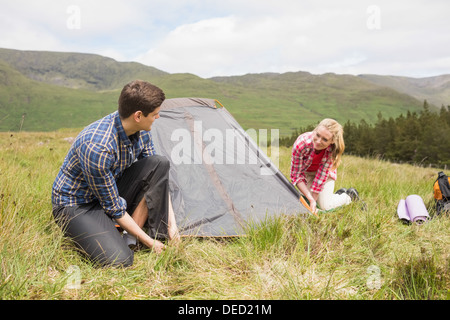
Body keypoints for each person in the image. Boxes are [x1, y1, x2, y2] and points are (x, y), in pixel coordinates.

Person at [51, 80, 179, 268]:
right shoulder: (97, 146)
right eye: (155, 114)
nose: (158, 117)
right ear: (138, 115)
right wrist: (150, 243)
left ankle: (130, 237)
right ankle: (130, 239)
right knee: (119, 261)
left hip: (110, 189)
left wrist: (173, 226)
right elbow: (114, 208)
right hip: (77, 205)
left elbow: (158, 177)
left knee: (160, 163)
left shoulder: (141, 130)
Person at [290, 118, 359, 214]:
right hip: (307, 173)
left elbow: (320, 178)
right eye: (317, 135)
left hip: (324, 176)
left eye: (325, 139)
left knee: (324, 206)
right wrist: (311, 199)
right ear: (315, 130)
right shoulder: (301, 144)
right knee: (304, 200)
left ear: (332, 141)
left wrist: (313, 200)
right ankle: (335, 195)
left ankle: (348, 196)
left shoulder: (331, 150)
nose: (318, 141)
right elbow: (296, 175)